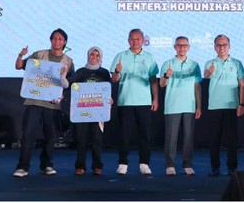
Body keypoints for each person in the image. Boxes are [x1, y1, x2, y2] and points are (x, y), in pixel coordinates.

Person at [13, 28, 75, 178]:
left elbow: (69, 84)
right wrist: (20, 55)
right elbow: (19, 66)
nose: (57, 41)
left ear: (65, 42)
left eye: (60, 39)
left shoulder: (68, 61)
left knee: (50, 136)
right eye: (54, 38)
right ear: (51, 40)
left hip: (52, 104)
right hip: (34, 101)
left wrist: (61, 95)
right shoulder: (39, 55)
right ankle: (23, 167)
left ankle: (46, 165)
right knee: (28, 135)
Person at [110, 28, 159, 175]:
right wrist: (117, 71)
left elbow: (153, 80)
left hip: (144, 101)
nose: (135, 41)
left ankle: (144, 163)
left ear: (143, 40)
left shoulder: (149, 57)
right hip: (125, 100)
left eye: (138, 39)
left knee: (145, 134)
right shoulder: (121, 56)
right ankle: (123, 163)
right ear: (128, 40)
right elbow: (114, 80)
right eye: (132, 38)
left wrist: (155, 98)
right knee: (124, 134)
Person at [203, 34, 244, 177]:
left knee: (232, 139)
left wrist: (241, 104)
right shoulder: (210, 63)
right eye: (219, 45)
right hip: (215, 106)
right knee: (214, 139)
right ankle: (215, 168)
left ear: (229, 46)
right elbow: (206, 75)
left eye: (224, 45)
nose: (222, 48)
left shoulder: (237, 63)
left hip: (232, 106)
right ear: (215, 47)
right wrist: (210, 71)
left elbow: (242, 85)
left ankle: (232, 168)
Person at [159, 36, 202, 176]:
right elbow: (162, 84)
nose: (182, 48)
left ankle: (187, 165)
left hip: (190, 105)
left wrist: (199, 106)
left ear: (188, 47)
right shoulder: (168, 64)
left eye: (184, 45)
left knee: (188, 137)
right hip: (172, 105)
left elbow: (197, 86)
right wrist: (167, 75)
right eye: (179, 45)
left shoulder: (194, 65)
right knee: (171, 138)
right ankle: (170, 165)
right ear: (175, 47)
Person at [69, 46, 112, 176]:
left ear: (101, 57)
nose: (94, 57)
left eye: (97, 55)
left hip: (99, 112)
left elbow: (108, 89)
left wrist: (110, 100)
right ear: (88, 56)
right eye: (92, 55)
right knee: (81, 139)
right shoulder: (80, 72)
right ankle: (80, 166)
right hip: (82, 111)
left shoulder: (104, 72)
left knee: (97, 140)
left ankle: (97, 166)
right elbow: (71, 87)